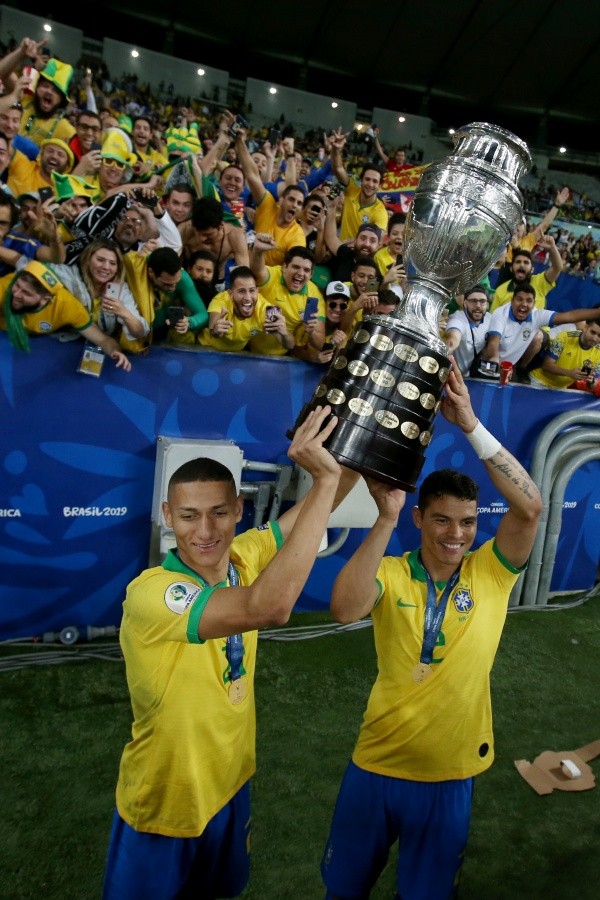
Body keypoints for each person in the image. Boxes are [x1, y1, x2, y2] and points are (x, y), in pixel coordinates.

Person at [102, 406, 351, 899]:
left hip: (232, 781)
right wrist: (321, 483)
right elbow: (270, 607)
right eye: (189, 516)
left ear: (239, 508)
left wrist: (356, 438)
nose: (205, 532)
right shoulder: (154, 592)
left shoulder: (246, 554)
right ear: (167, 516)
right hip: (166, 800)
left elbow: (327, 500)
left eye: (219, 512)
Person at [321, 360, 543, 900]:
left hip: (451, 773)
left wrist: (469, 422)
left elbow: (530, 506)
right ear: (420, 518)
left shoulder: (492, 571)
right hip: (376, 763)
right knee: (344, 890)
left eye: (468, 522)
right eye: (442, 519)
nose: (457, 534)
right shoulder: (393, 572)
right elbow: (345, 608)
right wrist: (383, 519)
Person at [0, 259, 130, 370]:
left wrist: (115, 351)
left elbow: (102, 339)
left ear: (45, 299)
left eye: (26, 293)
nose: (16, 294)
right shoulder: (4, 288)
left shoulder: (66, 305)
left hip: (34, 352)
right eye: (17, 286)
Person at [42, 238, 149, 349]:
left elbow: (140, 332)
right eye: (100, 260)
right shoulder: (68, 275)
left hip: (97, 347)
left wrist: (123, 312)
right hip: (58, 342)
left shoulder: (119, 290)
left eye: (112, 263)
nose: (106, 267)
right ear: (88, 260)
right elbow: (29, 265)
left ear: (117, 268)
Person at [480, 284, 600, 382]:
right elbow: (493, 342)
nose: (524, 304)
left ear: (533, 304)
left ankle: (522, 368)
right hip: (490, 362)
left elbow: (569, 316)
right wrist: (494, 360)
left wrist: (597, 312)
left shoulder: (537, 315)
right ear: (512, 301)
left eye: (529, 301)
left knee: (539, 336)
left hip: (509, 366)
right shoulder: (500, 314)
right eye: (519, 299)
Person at [248, 234, 325, 356]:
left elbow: (320, 343)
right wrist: (257, 251)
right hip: (247, 348)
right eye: (296, 267)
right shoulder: (273, 274)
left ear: (311, 275)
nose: (300, 273)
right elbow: (257, 270)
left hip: (281, 355)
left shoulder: (314, 297)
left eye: (306, 270)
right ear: (284, 267)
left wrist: (312, 332)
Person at [198, 265, 291, 353]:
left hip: (237, 355)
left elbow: (288, 346)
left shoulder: (267, 309)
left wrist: (285, 332)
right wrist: (216, 331)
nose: (248, 297)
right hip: (206, 350)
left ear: (257, 291)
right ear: (230, 294)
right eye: (241, 291)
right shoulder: (220, 301)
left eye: (252, 290)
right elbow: (214, 331)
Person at [329, 128, 388, 241]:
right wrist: (336, 150)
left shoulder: (380, 212)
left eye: (375, 181)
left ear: (380, 185)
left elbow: (377, 241)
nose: (370, 184)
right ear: (361, 180)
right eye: (367, 179)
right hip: (340, 250)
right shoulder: (351, 189)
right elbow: (338, 169)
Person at [490, 235, 562, 313]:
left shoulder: (540, 282)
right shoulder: (500, 291)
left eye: (526, 262)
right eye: (518, 262)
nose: (522, 265)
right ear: (511, 268)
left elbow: (557, 267)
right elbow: (493, 318)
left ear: (532, 270)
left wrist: (552, 249)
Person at [530, 319, 600, 390]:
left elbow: (593, 386)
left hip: (561, 389)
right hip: (539, 381)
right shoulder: (565, 336)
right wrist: (569, 373)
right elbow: (546, 365)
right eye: (593, 332)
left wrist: (591, 381)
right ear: (586, 327)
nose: (594, 338)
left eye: (599, 336)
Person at [444, 285, 492, 376]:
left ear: (487, 305)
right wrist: (448, 348)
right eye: (473, 301)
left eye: (482, 301)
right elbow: (453, 338)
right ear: (465, 303)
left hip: (478, 374)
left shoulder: (491, 320)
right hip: (455, 376)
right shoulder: (458, 319)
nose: (478, 305)